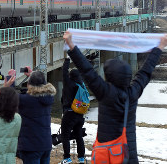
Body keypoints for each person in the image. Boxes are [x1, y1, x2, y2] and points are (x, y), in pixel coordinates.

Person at [63, 31, 167, 163]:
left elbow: (87, 71)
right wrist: (159, 47)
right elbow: (146, 71)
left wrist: (71, 45)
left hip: (109, 156)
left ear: (109, 76)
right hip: (128, 155)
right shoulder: (134, 92)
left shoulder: (106, 93)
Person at [14, 69, 56, 164]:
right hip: (45, 144)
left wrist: (9, 82)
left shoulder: (26, 100)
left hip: (31, 146)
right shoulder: (48, 96)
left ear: (29, 84)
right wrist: (34, 76)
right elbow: (35, 89)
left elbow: (10, 95)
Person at [60, 58, 86, 164]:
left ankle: (67, 158)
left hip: (69, 114)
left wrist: (67, 60)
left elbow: (64, 72)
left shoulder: (69, 84)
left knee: (65, 136)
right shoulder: (81, 85)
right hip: (80, 114)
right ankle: (81, 158)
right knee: (79, 136)